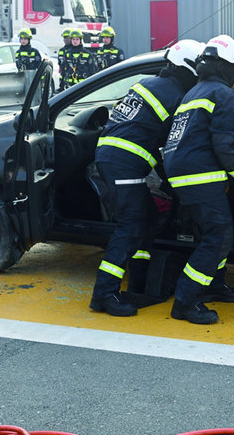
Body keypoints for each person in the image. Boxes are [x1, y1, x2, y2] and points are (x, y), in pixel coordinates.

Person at [87, 39, 205, 317]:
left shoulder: (150, 84)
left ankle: (139, 278)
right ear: (188, 68)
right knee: (131, 225)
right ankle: (104, 294)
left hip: (116, 159)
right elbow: (176, 144)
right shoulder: (176, 95)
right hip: (124, 163)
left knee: (148, 219)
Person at [163, 35, 234, 324]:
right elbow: (225, 147)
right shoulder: (221, 94)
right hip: (199, 175)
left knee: (217, 233)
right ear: (226, 68)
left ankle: (213, 285)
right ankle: (185, 300)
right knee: (218, 236)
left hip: (187, 174)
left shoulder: (195, 91)